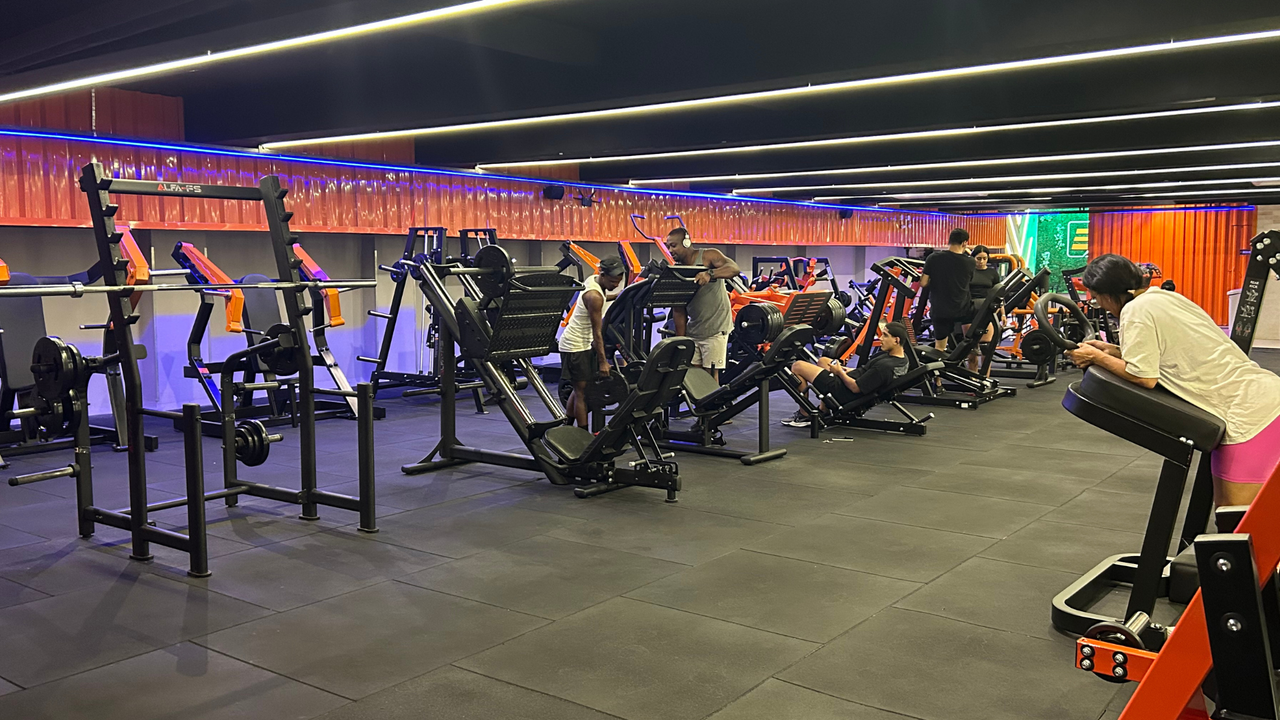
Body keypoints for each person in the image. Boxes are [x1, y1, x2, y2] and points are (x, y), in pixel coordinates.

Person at [1067, 254, 1280, 506]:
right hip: (1263, 400)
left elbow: (1143, 376)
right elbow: (1167, 351)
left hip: (1251, 418)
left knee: (1238, 521)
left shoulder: (1135, 311)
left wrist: (1095, 357)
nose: (1099, 305)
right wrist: (1113, 351)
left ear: (1109, 293)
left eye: (1096, 297)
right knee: (1233, 519)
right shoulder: (1163, 297)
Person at [783, 321, 912, 426]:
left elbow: (856, 388)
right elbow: (866, 372)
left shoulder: (884, 367)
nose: (881, 338)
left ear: (896, 340)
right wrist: (846, 370)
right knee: (823, 361)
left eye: (885, 335)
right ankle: (824, 410)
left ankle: (804, 414)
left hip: (845, 392)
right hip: (849, 381)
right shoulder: (902, 358)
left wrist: (839, 372)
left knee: (798, 366)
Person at [559, 256, 626, 428]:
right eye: (613, 282)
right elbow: (598, 333)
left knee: (579, 388)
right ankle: (583, 433)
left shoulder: (594, 280)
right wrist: (603, 362)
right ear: (603, 275)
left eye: (618, 282)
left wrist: (617, 295)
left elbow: (603, 296)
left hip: (583, 343)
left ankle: (567, 426)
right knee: (583, 393)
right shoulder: (594, 296)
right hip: (575, 345)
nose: (615, 285)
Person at [665, 228, 739, 380]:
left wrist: (710, 274)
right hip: (694, 331)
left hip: (715, 330)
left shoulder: (708, 256)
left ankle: (713, 397)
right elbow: (678, 310)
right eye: (668, 247)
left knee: (710, 376)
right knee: (694, 377)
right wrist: (681, 341)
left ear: (686, 243)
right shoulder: (678, 270)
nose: (670, 250)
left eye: (673, 246)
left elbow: (734, 269)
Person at [921, 228, 976, 353]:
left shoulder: (933, 258)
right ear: (964, 243)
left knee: (939, 348)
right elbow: (970, 281)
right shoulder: (970, 262)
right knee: (970, 346)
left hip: (941, 310)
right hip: (962, 309)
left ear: (949, 241)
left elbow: (923, 283)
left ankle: (939, 365)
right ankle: (970, 362)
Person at [967, 245, 1001, 373]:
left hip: (987, 310)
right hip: (970, 310)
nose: (981, 261)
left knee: (986, 348)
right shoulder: (968, 272)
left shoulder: (992, 273)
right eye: (978, 258)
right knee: (971, 349)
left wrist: (1002, 313)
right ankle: (972, 378)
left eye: (984, 259)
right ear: (973, 258)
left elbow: (998, 293)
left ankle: (985, 379)